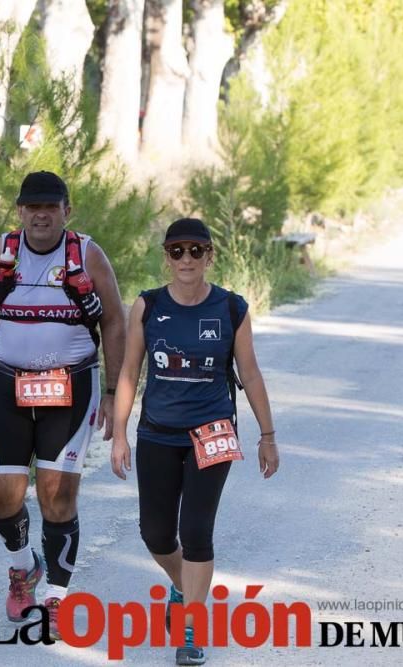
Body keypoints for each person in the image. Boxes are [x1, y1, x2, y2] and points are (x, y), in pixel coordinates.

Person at [0, 170, 125, 638]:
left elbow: (115, 321)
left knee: (57, 495)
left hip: (71, 387)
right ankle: (22, 567)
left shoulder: (88, 255)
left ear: (66, 211)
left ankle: (56, 594)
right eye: (32, 207)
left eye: (50, 207)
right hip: (6, 386)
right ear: (20, 211)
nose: (41, 215)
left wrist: (113, 392)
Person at [110, 217, 279, 665]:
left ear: (210, 256)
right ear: (166, 256)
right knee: (156, 534)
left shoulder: (231, 309)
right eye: (177, 251)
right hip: (158, 433)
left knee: (197, 531)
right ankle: (183, 585)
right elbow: (130, 372)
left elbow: (251, 373)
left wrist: (268, 434)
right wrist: (120, 434)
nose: (186, 259)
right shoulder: (147, 306)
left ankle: (192, 627)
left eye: (196, 250)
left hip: (213, 431)